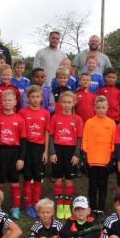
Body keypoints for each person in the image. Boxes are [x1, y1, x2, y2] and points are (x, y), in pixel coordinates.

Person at [49, 91, 83, 220]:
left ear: (74, 103)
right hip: (58, 150)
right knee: (58, 178)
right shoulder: (55, 117)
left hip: (71, 151)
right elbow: (51, 136)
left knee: (69, 180)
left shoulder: (78, 119)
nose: (67, 105)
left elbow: (80, 138)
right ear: (60, 103)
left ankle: (67, 205)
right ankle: (59, 205)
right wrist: (52, 152)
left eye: (69, 102)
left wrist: (77, 154)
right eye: (64, 102)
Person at [0, 90, 26, 219]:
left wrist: (21, 158)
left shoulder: (19, 119)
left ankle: (16, 207)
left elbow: (23, 141)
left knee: (14, 182)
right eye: (5, 100)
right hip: (1, 152)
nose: (7, 102)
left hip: (14, 152)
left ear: (15, 102)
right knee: (0, 182)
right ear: (1, 102)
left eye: (10, 100)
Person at [19, 85, 50, 218]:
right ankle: (27, 205)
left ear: (42, 97)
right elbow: (20, 133)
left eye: (38, 96)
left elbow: (47, 132)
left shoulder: (45, 113)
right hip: (27, 147)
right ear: (28, 98)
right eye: (32, 97)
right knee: (27, 176)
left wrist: (46, 151)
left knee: (38, 176)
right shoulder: (22, 112)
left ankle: (35, 203)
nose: (35, 99)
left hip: (40, 148)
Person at [82, 96, 116, 215]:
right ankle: (92, 208)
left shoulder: (111, 123)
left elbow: (113, 142)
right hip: (92, 161)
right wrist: (85, 157)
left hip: (105, 161)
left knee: (103, 186)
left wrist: (111, 158)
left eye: (103, 107)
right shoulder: (89, 122)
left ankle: (100, 209)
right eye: (98, 107)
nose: (101, 110)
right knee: (92, 186)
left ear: (107, 108)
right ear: (94, 108)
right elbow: (85, 140)